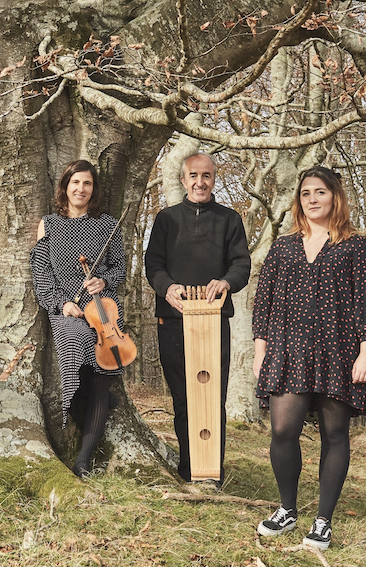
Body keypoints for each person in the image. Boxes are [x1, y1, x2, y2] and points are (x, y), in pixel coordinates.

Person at [253, 166, 366, 550]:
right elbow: (264, 301)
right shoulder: (283, 247)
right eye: (306, 193)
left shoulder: (356, 246)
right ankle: (287, 509)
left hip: (338, 351)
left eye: (320, 192)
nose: (312, 199)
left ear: (335, 197)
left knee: (334, 434)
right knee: (282, 430)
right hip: (288, 350)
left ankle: (323, 521)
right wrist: (261, 351)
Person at [144, 152, 250, 484]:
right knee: (183, 399)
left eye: (206, 176)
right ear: (183, 179)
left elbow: (241, 266)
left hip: (214, 321)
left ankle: (212, 472)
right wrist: (168, 287)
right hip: (173, 321)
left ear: (214, 179)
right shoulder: (166, 219)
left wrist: (226, 282)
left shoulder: (229, 220)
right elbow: (153, 265)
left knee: (212, 397)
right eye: (193, 175)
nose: (200, 182)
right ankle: (189, 470)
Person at [31, 160, 127, 477]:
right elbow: (41, 273)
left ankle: (83, 460)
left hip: (103, 308)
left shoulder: (107, 225)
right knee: (76, 341)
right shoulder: (49, 224)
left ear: (93, 189)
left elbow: (120, 268)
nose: (81, 189)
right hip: (68, 307)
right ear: (65, 186)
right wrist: (61, 304)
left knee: (102, 370)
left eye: (87, 183)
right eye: (75, 182)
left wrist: (104, 281)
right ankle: (90, 403)